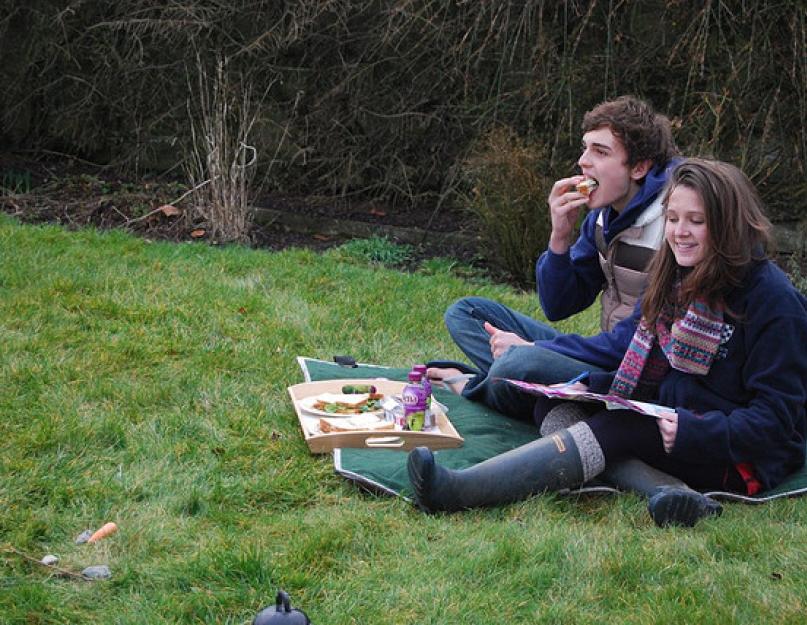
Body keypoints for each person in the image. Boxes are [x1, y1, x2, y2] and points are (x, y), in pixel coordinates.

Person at [409, 158, 807, 527]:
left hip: (737, 457)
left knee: (622, 427)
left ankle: (457, 491)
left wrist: (693, 431)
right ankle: (669, 492)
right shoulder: (674, 278)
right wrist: (592, 387)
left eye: (696, 221)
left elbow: (776, 421)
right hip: (677, 417)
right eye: (672, 218)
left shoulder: (773, 301)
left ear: (729, 224)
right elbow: (639, 360)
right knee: (559, 399)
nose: (680, 232)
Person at [428, 95, 680, 419]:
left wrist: (535, 350)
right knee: (466, 313)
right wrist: (559, 237)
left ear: (640, 166)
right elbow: (559, 306)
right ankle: (531, 387)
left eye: (600, 152)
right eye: (585, 148)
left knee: (519, 361)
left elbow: (633, 342)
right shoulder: (603, 216)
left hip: (635, 372)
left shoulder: (674, 224)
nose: (583, 162)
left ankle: (481, 386)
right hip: (600, 355)